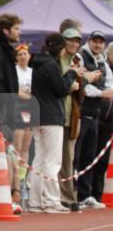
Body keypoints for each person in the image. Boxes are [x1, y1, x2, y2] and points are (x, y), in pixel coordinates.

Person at [27, 33, 83, 214]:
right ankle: (52, 201)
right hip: (52, 117)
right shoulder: (51, 64)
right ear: (59, 48)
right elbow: (60, 89)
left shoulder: (37, 63)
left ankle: (35, 200)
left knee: (39, 159)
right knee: (52, 161)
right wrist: (72, 76)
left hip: (38, 115)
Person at [75, 30, 113, 208]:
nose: (98, 45)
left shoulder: (102, 63)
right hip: (81, 114)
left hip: (95, 116)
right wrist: (101, 93)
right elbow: (82, 86)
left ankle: (85, 195)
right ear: (89, 41)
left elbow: (110, 85)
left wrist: (102, 92)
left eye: (101, 42)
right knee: (76, 155)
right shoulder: (81, 57)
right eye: (95, 41)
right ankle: (71, 194)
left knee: (89, 157)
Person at [59, 27, 86, 211]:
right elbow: (60, 86)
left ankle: (67, 196)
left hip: (72, 115)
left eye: (77, 41)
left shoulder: (76, 60)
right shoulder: (57, 61)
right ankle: (59, 196)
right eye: (70, 40)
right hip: (57, 115)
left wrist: (86, 79)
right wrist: (73, 85)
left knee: (69, 158)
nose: (74, 44)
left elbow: (78, 87)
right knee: (55, 160)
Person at [14, 43, 34, 170]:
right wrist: (27, 95)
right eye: (19, 54)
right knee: (17, 146)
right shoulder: (13, 71)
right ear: (16, 57)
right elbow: (14, 90)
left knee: (26, 146)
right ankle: (14, 179)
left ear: (29, 56)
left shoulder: (33, 72)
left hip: (31, 109)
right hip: (18, 108)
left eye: (24, 54)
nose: (22, 57)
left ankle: (22, 178)